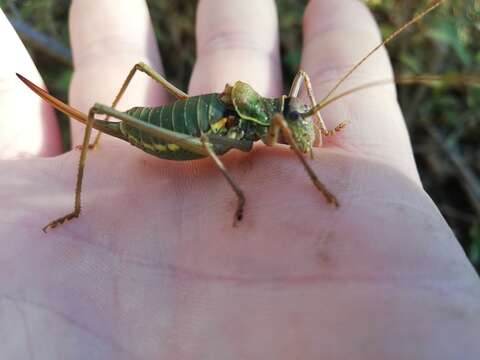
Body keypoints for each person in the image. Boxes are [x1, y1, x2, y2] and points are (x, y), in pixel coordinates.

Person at [1, 0, 479, 358]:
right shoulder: (249, 127)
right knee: (104, 111)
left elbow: (301, 94)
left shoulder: (278, 114)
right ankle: (80, 191)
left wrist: (318, 127)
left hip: (216, 118)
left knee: (291, 101)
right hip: (177, 135)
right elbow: (210, 147)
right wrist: (267, 194)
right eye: (292, 124)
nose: (296, 127)